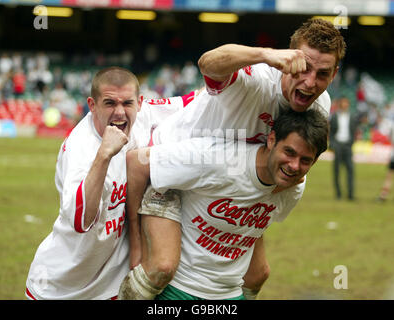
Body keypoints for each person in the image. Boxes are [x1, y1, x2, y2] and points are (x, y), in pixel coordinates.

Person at [118, 18, 346, 300]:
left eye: (322, 74)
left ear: (334, 75)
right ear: (288, 59)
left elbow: (298, 166)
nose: (310, 82)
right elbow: (208, 63)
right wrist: (266, 54)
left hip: (223, 181)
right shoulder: (257, 80)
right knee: (162, 267)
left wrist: (248, 195)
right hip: (177, 165)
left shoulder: (320, 107)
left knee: (258, 273)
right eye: (304, 68)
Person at [120, 108, 329, 299]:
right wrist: (136, 242)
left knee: (260, 274)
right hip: (179, 288)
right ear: (272, 140)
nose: (294, 166)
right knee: (161, 267)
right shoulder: (218, 159)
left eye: (305, 160)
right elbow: (138, 162)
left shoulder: (293, 189)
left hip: (230, 293)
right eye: (289, 152)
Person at [25, 67, 193, 300]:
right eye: (109, 103)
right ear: (92, 105)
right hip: (62, 287)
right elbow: (80, 221)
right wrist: (103, 156)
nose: (120, 113)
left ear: (140, 102)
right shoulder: (81, 149)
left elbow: (199, 100)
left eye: (127, 103)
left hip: (111, 285)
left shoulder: (145, 114)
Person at [329, 96, 358, 200]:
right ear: (340, 104)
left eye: (346, 103)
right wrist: (333, 144)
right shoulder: (335, 116)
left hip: (347, 145)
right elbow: (331, 132)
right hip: (338, 145)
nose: (345, 105)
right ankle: (338, 194)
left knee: (350, 170)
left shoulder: (352, 116)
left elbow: (354, 131)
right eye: (343, 103)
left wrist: (351, 143)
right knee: (336, 171)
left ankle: (350, 195)